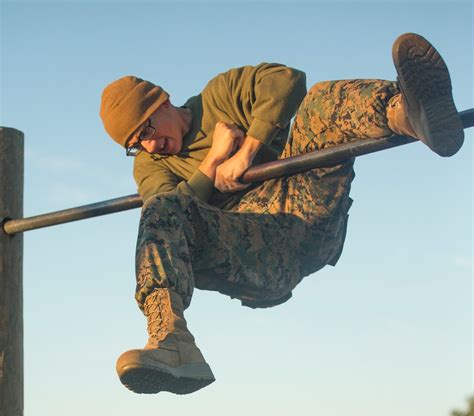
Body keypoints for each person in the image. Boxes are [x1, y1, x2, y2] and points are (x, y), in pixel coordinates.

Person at [100, 32, 463, 396]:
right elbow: (166, 210)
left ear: (162, 101)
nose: (149, 144)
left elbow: (286, 80)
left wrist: (248, 151)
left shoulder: (219, 96)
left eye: (147, 129)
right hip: (254, 252)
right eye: (135, 144)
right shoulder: (151, 165)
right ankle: (171, 341)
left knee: (318, 100)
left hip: (304, 213)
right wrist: (214, 161)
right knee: (161, 211)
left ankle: (408, 113)